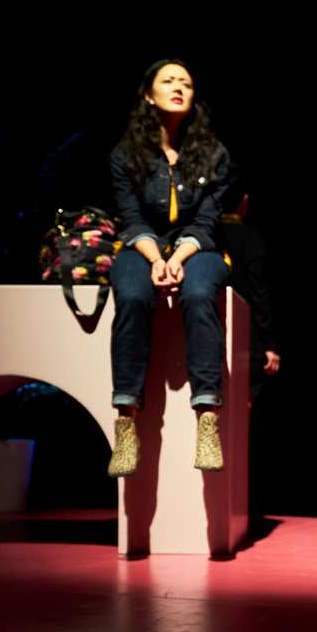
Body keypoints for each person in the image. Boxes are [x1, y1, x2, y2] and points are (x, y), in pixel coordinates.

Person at [106, 58, 233, 477]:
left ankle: (207, 417)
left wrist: (177, 258)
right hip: (143, 246)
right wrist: (156, 259)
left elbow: (207, 220)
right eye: (168, 80)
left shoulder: (213, 155)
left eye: (186, 83)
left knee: (199, 294)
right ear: (148, 94)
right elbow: (130, 217)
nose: (178, 87)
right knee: (133, 294)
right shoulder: (127, 154)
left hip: (197, 247)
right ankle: (126, 419)